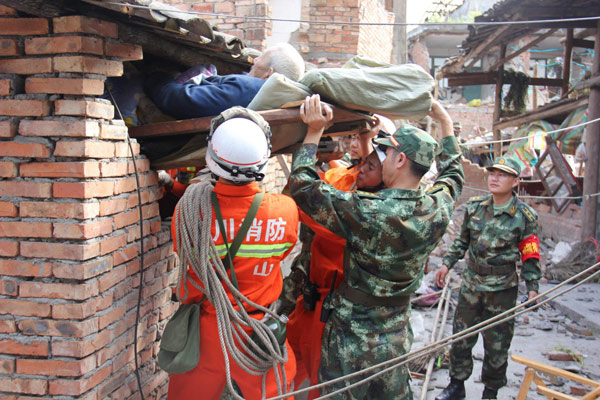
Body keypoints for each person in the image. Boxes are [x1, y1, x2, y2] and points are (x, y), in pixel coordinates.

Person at [289, 94, 464, 399]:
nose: (378, 156)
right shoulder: (438, 208)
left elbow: (303, 188)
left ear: (400, 160)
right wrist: (445, 123)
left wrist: (314, 131)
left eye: (386, 151)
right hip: (396, 334)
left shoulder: (365, 210)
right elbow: (453, 175)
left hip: (350, 335)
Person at [168, 107, 299, 399]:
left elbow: (182, 250)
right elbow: (286, 251)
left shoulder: (188, 211)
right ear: (263, 160)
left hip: (201, 343)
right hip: (258, 340)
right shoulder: (284, 210)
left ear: (210, 158)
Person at [283, 120, 391, 399]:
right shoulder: (350, 180)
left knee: (319, 379)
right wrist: (367, 139)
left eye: (371, 166)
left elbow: (306, 196)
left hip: (330, 310)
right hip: (310, 298)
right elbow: (359, 171)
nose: (362, 168)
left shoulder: (360, 213)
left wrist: (313, 133)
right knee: (291, 364)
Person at [434, 156, 541, 400]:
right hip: (471, 284)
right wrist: (446, 263)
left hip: (502, 290)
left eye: (502, 175)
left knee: (497, 345)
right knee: (461, 337)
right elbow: (462, 240)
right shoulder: (475, 207)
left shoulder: (525, 216)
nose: (494, 178)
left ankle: (490, 392)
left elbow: (530, 255)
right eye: (492, 173)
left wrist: (532, 288)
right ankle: (456, 386)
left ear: (515, 181)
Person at [145, 42, 305, 120]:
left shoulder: (247, 89)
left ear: (269, 74)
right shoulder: (273, 98)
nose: (255, 60)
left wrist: (157, 77)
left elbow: (179, 100)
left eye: (261, 58)